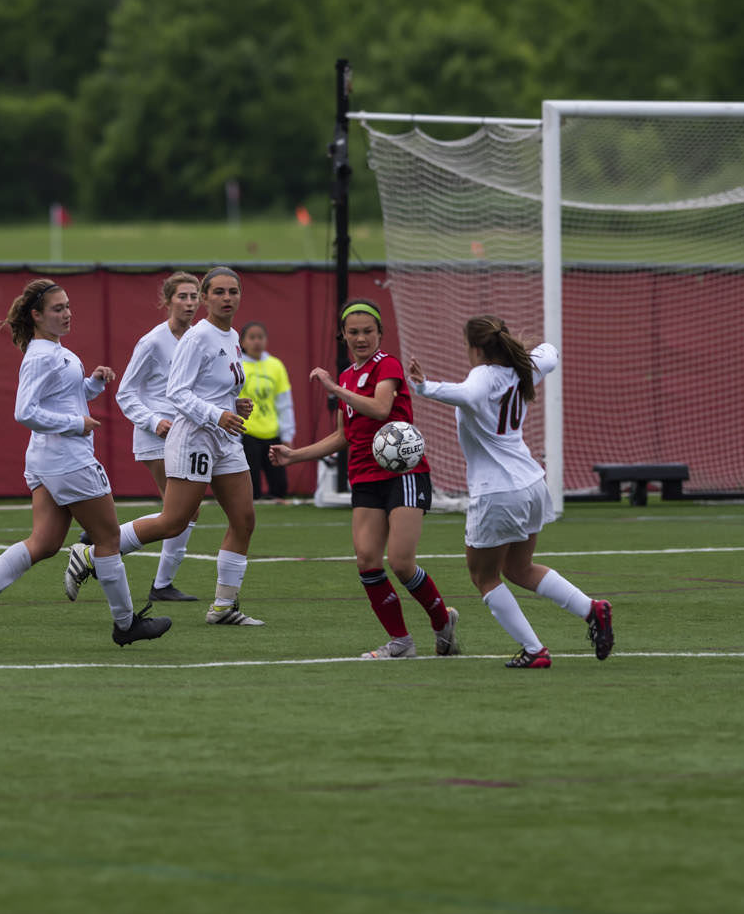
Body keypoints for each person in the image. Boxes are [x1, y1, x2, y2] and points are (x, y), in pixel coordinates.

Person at [0, 279, 173, 647]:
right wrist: (76, 424)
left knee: (45, 541)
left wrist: (93, 385)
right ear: (36, 316)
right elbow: (25, 411)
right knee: (108, 539)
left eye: (68, 306)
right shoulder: (42, 355)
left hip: (45, 459)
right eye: (58, 309)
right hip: (66, 460)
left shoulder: (56, 350)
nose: (67, 313)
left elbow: (62, 398)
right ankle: (125, 624)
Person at [63, 265, 264, 625]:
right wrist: (216, 415)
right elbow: (178, 392)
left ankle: (223, 607)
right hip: (195, 437)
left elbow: (215, 390)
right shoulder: (197, 337)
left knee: (244, 520)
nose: (227, 298)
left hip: (225, 439)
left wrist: (234, 406)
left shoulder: (232, 336)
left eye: (233, 291)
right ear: (205, 299)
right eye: (218, 292)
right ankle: (93, 554)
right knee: (175, 521)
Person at [408, 317, 614, 668]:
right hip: (532, 484)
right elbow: (550, 354)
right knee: (519, 568)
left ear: (475, 348)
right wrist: (530, 354)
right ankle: (591, 609)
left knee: (483, 576)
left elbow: (469, 394)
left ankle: (534, 650)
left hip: (498, 492)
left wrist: (426, 387)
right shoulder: (522, 369)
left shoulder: (483, 376)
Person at [271, 297, 458, 659]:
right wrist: (295, 455)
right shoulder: (344, 376)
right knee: (367, 561)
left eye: (367, 331)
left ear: (380, 333)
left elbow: (381, 407)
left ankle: (441, 620)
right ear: (342, 335)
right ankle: (401, 643)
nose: (361, 338)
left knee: (401, 562)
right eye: (353, 332)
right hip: (364, 477)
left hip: (403, 475)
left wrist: (335, 390)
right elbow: (342, 436)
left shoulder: (386, 365)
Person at [108, 271, 204, 602]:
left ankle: (110, 545)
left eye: (194, 297)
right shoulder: (152, 342)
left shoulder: (197, 338)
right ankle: (105, 544)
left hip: (188, 434)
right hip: (157, 437)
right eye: (183, 296)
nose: (190, 303)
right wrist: (153, 421)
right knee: (181, 511)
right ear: (167, 301)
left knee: (184, 512)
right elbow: (125, 393)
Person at [237, 321, 295, 502]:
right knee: (250, 489)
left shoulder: (275, 366)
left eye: (260, 337)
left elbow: (284, 403)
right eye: (252, 338)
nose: (257, 342)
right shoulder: (237, 365)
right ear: (243, 342)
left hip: (272, 434)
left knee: (279, 487)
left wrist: (287, 435)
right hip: (247, 434)